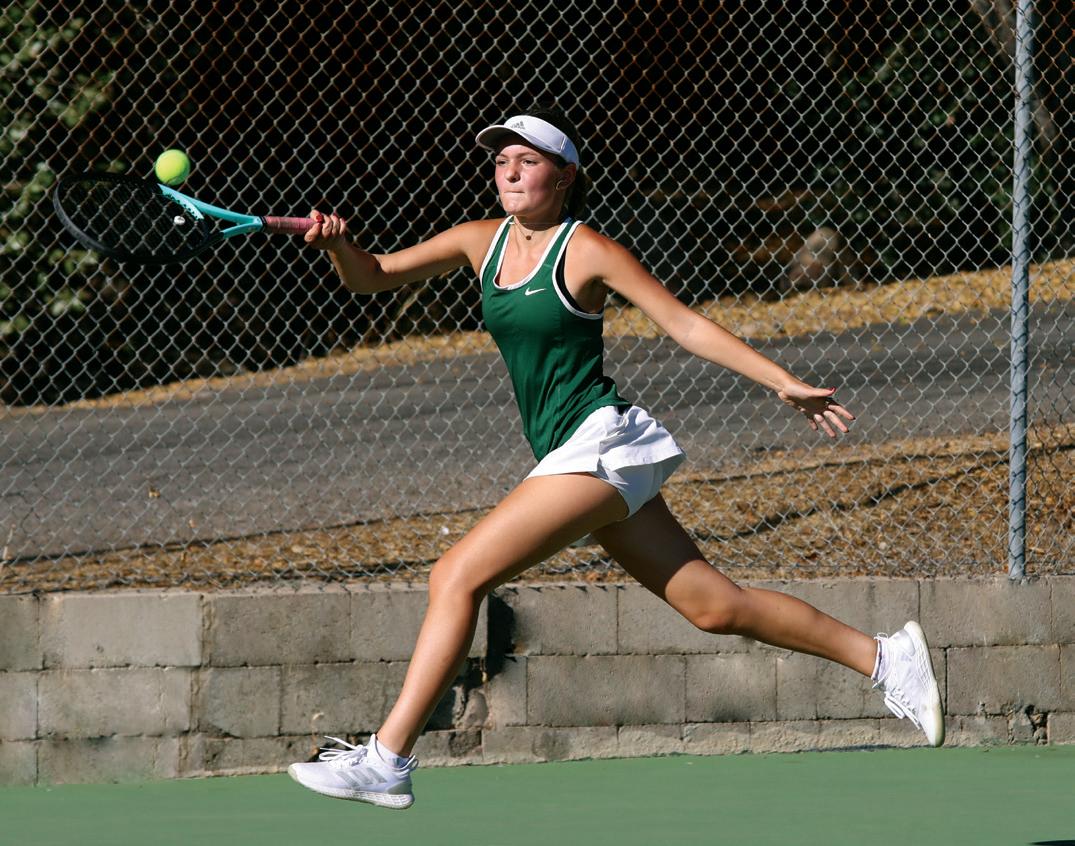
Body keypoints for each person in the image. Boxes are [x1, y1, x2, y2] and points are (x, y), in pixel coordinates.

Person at [287, 109, 944, 810]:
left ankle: (387, 759)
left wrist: (780, 380)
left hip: (599, 443)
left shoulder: (588, 251)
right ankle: (885, 658)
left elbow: (682, 322)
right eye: (501, 160)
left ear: (564, 176)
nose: (509, 171)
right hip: (572, 452)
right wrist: (338, 245)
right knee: (714, 607)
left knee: (455, 574)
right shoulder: (478, 240)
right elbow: (373, 275)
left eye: (528, 160)